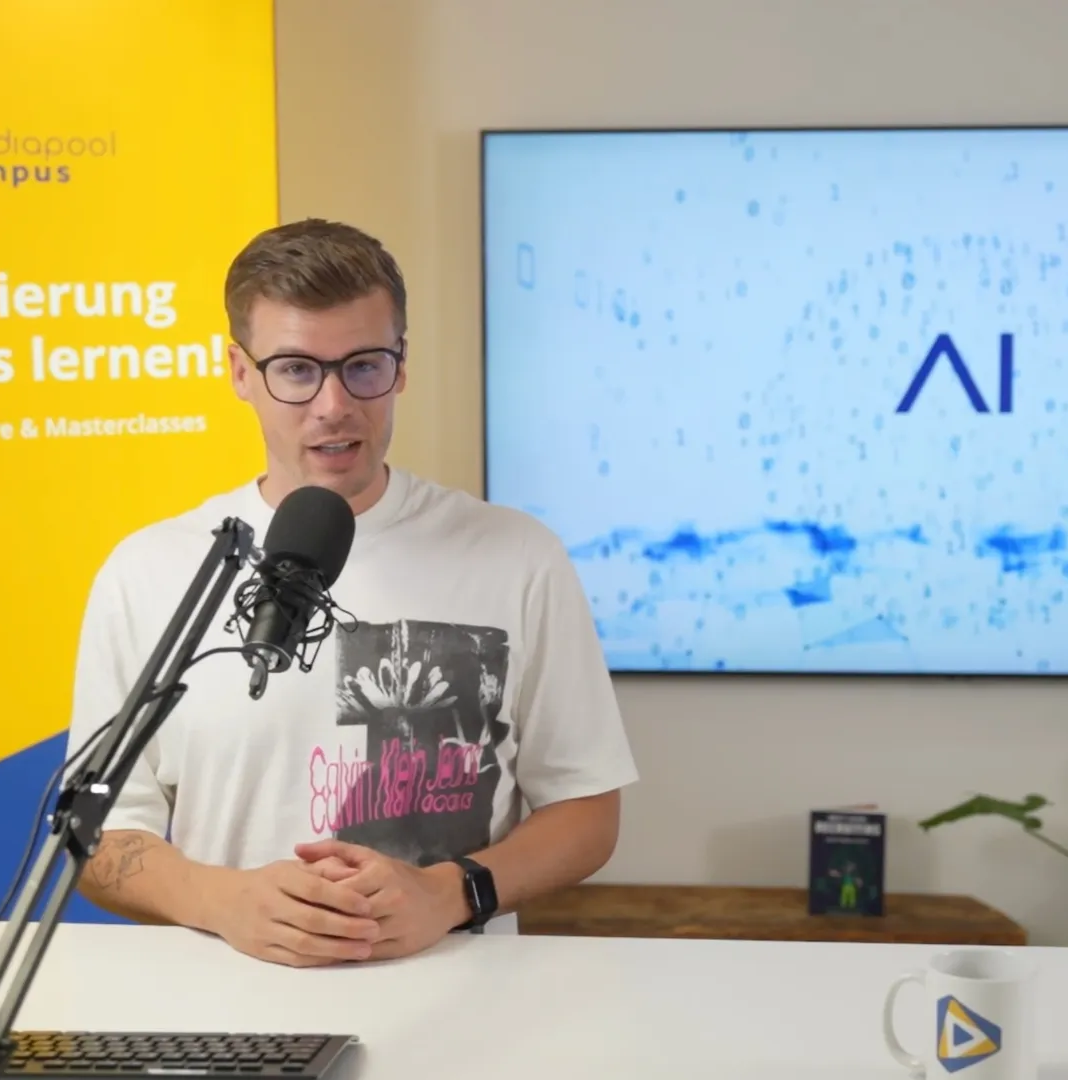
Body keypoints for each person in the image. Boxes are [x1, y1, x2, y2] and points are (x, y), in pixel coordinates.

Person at [62, 217, 638, 966]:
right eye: (296, 369)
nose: (334, 405)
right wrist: (224, 901)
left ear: (401, 366)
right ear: (240, 371)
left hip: (469, 1010)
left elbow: (586, 810)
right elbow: (101, 833)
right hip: (230, 1012)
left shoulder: (517, 555)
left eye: (363, 366)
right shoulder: (151, 569)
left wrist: (451, 893)